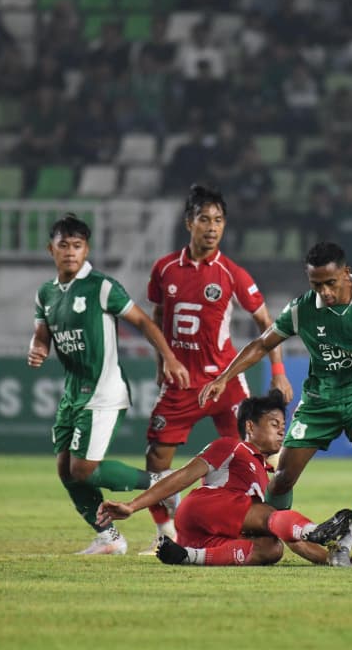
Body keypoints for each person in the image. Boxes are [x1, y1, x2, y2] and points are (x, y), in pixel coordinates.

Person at [198, 242, 352, 567]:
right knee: (284, 476)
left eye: (330, 283)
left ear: (346, 273)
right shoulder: (303, 308)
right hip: (320, 401)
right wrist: (223, 377)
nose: (324, 292)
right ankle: (267, 535)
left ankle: (344, 544)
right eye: (316, 284)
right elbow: (262, 343)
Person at [142, 185, 293, 554]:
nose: (212, 227)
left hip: (224, 382)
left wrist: (278, 370)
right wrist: (163, 361)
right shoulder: (164, 269)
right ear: (188, 222)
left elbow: (266, 323)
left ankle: (264, 525)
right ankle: (166, 533)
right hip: (181, 382)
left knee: (255, 456)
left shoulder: (232, 273)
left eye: (219, 220)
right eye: (204, 219)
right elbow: (160, 316)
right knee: (156, 459)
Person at [27, 214, 190, 555]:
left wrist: (169, 358)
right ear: (50, 249)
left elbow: (144, 321)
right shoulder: (46, 294)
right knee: (65, 470)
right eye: (63, 246)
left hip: (103, 391)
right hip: (72, 393)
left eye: (77, 246)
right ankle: (109, 537)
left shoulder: (101, 286)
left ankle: (161, 483)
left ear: (86, 250)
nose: (70, 252)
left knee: (83, 468)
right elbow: (42, 335)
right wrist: (38, 348)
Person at [96, 391, 345, 566]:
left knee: (272, 548)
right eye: (273, 423)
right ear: (250, 427)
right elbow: (183, 476)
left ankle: (189, 556)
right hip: (204, 506)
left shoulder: (264, 473)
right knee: (269, 515)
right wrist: (132, 506)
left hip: (204, 537)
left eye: (283, 424)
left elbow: (291, 538)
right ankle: (316, 530)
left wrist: (334, 559)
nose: (282, 430)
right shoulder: (232, 447)